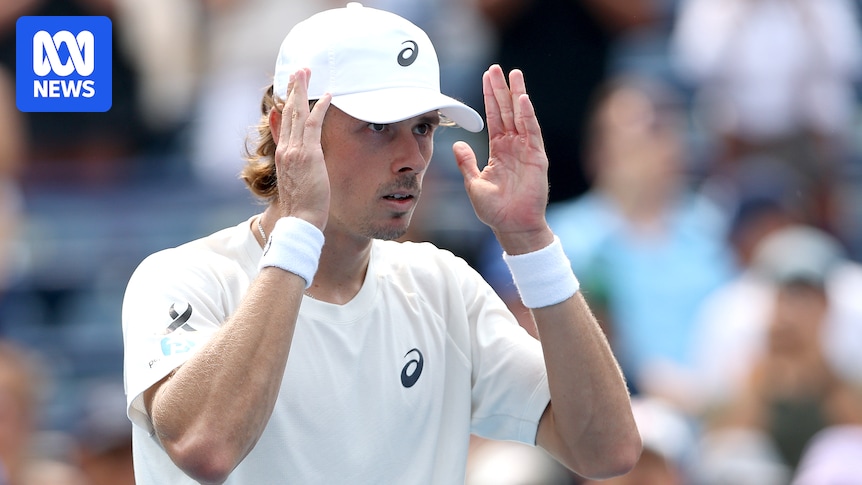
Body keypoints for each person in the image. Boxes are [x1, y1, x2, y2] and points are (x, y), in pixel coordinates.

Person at [121, 3, 641, 484]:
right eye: (376, 127)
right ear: (287, 129)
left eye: (421, 127)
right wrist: (301, 225)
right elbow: (205, 446)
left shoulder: (443, 287)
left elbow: (607, 451)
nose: (411, 158)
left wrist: (531, 242)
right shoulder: (180, 277)